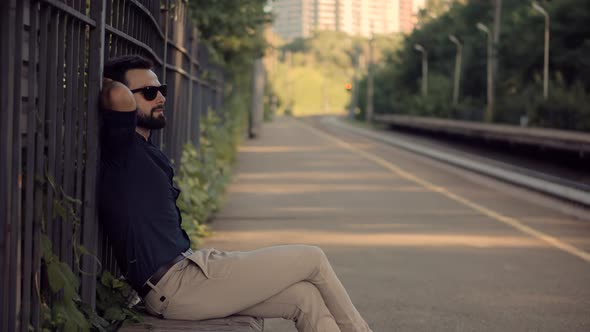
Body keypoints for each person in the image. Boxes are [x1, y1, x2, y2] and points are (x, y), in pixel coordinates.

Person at [98, 55, 373, 332]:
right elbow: (115, 94)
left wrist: (140, 92)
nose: (161, 98)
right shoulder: (123, 149)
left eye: (162, 90)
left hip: (193, 269)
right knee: (312, 258)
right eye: (148, 92)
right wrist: (102, 74)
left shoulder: (146, 149)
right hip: (176, 286)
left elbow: (124, 95)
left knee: (305, 297)